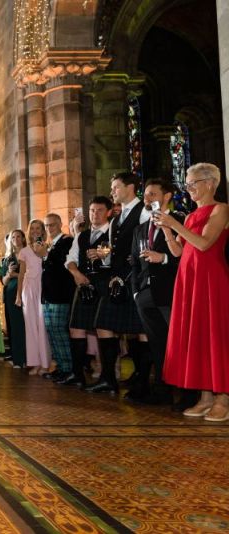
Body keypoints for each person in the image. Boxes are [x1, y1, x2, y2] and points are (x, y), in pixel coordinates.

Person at [155, 163, 229, 421]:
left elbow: (204, 244)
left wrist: (173, 223)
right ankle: (206, 397)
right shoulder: (188, 217)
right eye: (187, 184)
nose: (188, 189)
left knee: (214, 335)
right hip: (189, 279)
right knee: (197, 335)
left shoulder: (221, 209)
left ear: (210, 183)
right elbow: (177, 252)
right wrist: (165, 228)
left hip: (211, 279)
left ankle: (223, 398)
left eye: (192, 183)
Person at [87, 173, 150, 395]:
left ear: (130, 187)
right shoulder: (116, 219)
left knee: (142, 331)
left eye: (115, 187)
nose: (112, 191)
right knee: (103, 325)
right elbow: (113, 251)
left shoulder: (144, 211)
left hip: (135, 278)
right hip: (116, 280)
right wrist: (101, 253)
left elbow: (150, 239)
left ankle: (143, 382)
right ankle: (108, 379)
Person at [129, 179, 182, 403]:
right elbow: (133, 264)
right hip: (144, 295)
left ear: (167, 196)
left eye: (152, 194)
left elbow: (187, 257)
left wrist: (165, 258)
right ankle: (162, 391)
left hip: (169, 292)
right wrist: (135, 293)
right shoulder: (140, 229)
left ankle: (186, 393)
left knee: (177, 343)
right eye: (146, 195)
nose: (147, 198)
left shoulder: (179, 221)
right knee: (156, 344)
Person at [65, 196, 113, 388]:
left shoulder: (113, 233)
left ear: (109, 212)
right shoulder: (81, 236)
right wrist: (75, 273)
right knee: (75, 328)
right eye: (92, 210)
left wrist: (106, 256)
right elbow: (70, 258)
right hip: (84, 285)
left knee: (104, 330)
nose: (95, 214)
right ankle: (78, 375)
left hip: (105, 285)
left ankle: (108, 378)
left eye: (100, 210)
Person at [38, 213, 76, 384]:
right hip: (48, 295)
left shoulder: (67, 241)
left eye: (52, 225)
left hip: (60, 295)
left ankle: (69, 369)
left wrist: (46, 254)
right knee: (52, 332)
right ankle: (60, 367)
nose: (49, 228)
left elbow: (63, 264)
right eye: (46, 225)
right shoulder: (50, 244)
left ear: (60, 224)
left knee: (60, 332)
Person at [16, 219, 51, 375]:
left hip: (44, 287)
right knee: (30, 327)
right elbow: (21, 274)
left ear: (43, 231)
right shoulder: (24, 251)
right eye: (33, 228)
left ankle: (45, 364)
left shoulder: (48, 247)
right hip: (28, 289)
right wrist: (18, 295)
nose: (35, 231)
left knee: (43, 325)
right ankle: (35, 362)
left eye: (38, 228)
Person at [1, 230, 26, 369]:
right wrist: (10, 275)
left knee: (27, 326)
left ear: (23, 238)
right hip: (11, 295)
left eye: (18, 236)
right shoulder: (8, 258)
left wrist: (16, 274)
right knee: (15, 327)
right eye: (13, 237)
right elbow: (4, 281)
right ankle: (18, 359)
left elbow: (32, 274)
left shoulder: (30, 253)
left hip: (27, 293)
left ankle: (29, 358)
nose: (15, 239)